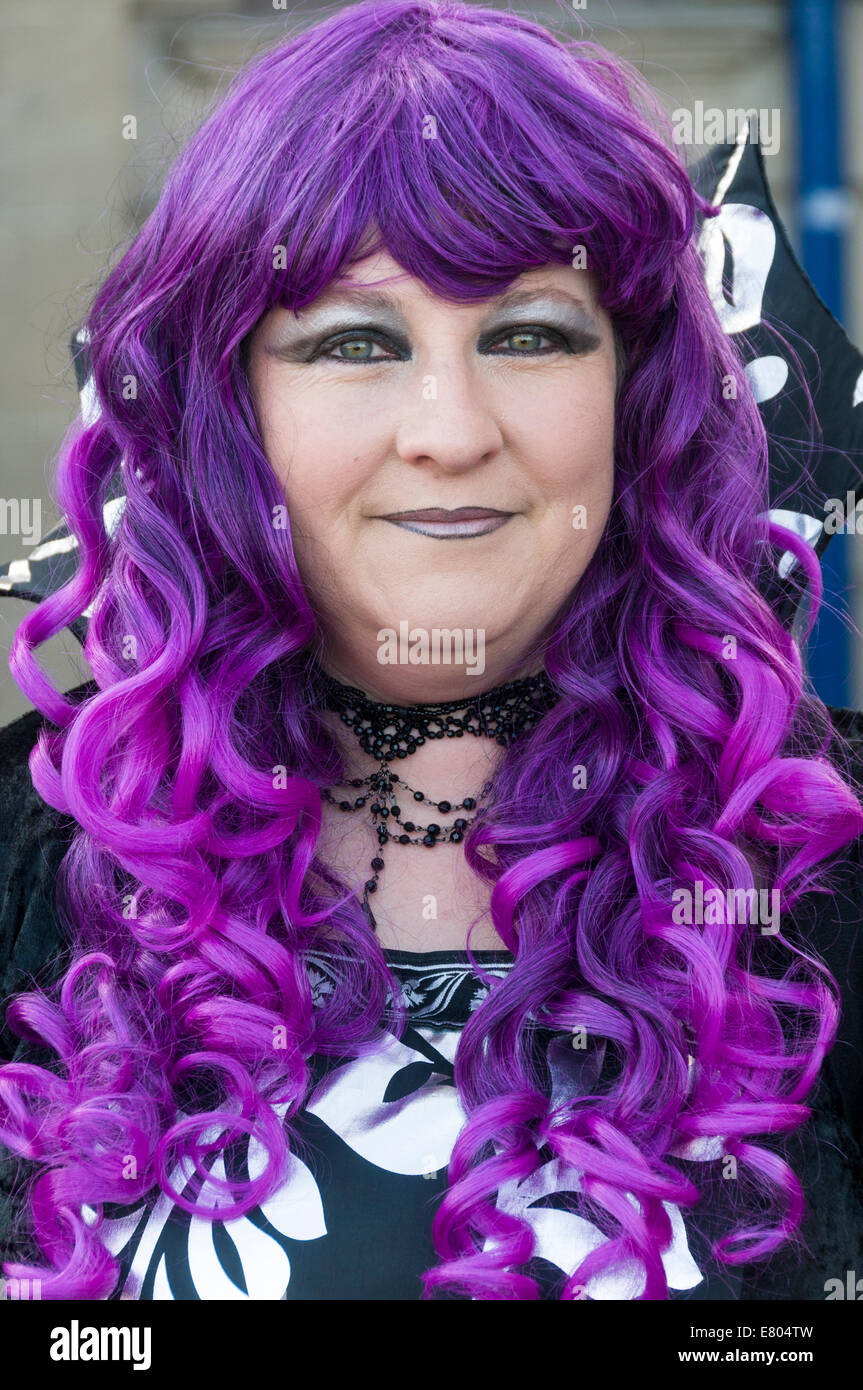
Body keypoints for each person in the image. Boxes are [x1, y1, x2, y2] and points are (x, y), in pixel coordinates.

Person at [1, 0, 862, 1302]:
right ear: (231, 415)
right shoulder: (38, 845)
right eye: (355, 340)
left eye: (529, 333)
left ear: (637, 399)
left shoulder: (818, 866)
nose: (450, 429)